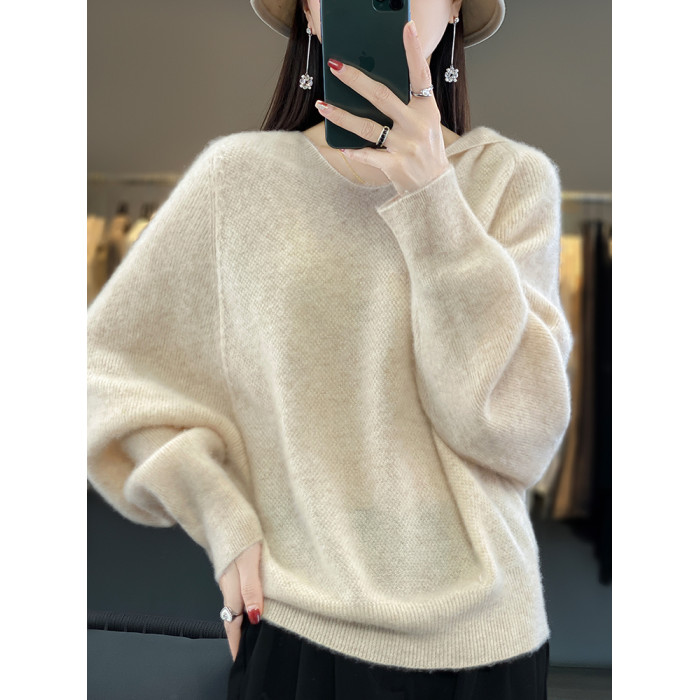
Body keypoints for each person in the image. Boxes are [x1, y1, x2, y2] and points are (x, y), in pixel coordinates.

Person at [87, 0, 572, 697]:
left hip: (485, 642)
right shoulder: (238, 181)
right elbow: (103, 371)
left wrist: (434, 198)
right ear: (311, 14)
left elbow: (519, 437)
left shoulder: (512, 181)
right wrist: (220, 516)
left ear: (455, 10)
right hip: (300, 631)